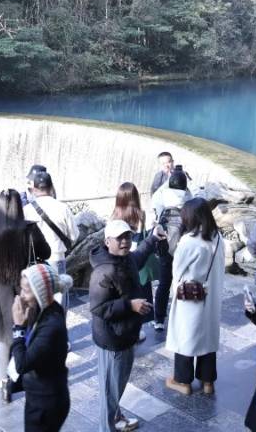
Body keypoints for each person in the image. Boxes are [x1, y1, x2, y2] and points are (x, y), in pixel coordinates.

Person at [89, 219, 166, 432]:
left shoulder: (125, 258)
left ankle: (115, 417)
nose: (125, 242)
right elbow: (98, 308)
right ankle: (107, 427)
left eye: (128, 237)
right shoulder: (103, 271)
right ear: (108, 242)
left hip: (125, 334)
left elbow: (139, 256)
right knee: (110, 390)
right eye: (119, 238)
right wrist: (130, 305)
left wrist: (152, 237)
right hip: (113, 339)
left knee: (117, 384)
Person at [0, 189, 51, 403]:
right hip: (27, 288)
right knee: (30, 336)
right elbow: (46, 253)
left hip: (0, 291)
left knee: (5, 342)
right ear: (20, 206)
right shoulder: (30, 230)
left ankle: (5, 386)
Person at [164, 198, 225, 396]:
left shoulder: (189, 241)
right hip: (212, 296)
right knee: (208, 337)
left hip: (191, 298)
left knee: (186, 337)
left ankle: (182, 381)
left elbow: (177, 271)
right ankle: (208, 382)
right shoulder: (217, 238)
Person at [10, 263, 74, 432]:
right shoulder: (43, 309)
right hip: (38, 395)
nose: (21, 296)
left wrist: (18, 328)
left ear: (41, 294)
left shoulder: (51, 325)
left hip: (46, 404)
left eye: (26, 291)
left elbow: (22, 364)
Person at [24, 171, 76, 311]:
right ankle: (58, 323)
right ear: (52, 187)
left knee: (37, 297)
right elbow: (74, 235)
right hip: (56, 258)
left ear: (34, 189)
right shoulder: (62, 208)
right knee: (58, 298)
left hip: (34, 262)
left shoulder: (26, 210)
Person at [150, 166, 192, 330]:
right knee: (183, 284)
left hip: (166, 247)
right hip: (183, 248)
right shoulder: (188, 198)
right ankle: (181, 319)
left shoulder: (162, 196)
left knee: (164, 284)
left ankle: (159, 320)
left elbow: (155, 211)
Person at [111, 182, 156, 333]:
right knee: (140, 295)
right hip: (139, 260)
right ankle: (138, 329)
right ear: (136, 197)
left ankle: (126, 327)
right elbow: (147, 236)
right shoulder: (142, 215)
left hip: (119, 260)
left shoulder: (114, 217)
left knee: (124, 295)